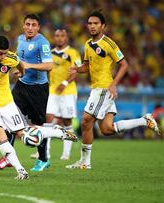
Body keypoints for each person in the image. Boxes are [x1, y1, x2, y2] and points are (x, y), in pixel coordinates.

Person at [0, 35, 77, 180]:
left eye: (5, 53)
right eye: (0, 53)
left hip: (7, 104)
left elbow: (21, 66)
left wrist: (21, 73)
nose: (3, 56)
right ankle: (21, 171)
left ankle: (58, 132)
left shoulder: (11, 58)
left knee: (24, 135)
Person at [66, 11, 161, 170]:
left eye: (96, 23)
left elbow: (124, 65)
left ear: (103, 26)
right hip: (96, 88)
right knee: (106, 129)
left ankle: (85, 162)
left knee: (85, 121)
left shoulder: (109, 43)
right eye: (90, 23)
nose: (92, 26)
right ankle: (144, 121)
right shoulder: (88, 44)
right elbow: (87, 67)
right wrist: (76, 69)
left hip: (104, 88)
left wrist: (114, 84)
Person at [0, 14, 54, 172]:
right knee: (10, 119)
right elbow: (20, 61)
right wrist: (20, 72)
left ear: (38, 27)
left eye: (34, 25)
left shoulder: (43, 43)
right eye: (27, 24)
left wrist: (29, 66)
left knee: (37, 124)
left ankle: (43, 159)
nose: (30, 28)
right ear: (23, 25)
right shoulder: (20, 39)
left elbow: (49, 66)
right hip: (21, 86)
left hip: (38, 88)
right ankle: (8, 157)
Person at [45, 29, 81, 161]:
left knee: (67, 121)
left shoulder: (73, 53)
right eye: (57, 36)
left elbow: (76, 71)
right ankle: (44, 152)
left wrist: (65, 83)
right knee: (48, 119)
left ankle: (66, 154)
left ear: (67, 38)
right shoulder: (50, 53)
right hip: (53, 90)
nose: (59, 38)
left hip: (68, 91)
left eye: (62, 36)